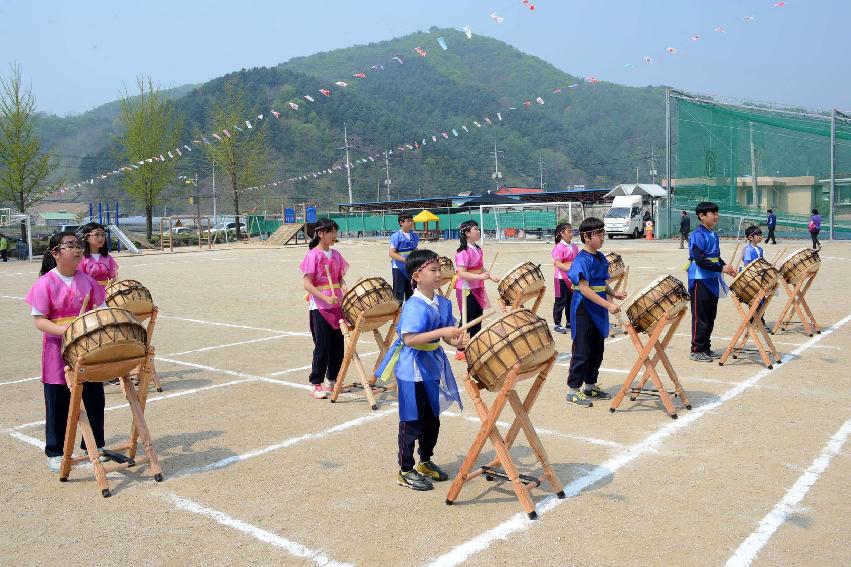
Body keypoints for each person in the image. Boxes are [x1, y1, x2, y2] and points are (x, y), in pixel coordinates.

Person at [375, 249, 466, 491]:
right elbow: (410, 338)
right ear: (416, 276)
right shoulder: (414, 305)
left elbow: (447, 335)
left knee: (431, 419)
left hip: (432, 365)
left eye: (439, 270)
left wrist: (456, 341)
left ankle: (425, 460)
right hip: (412, 368)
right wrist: (442, 333)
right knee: (411, 420)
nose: (438, 275)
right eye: (432, 270)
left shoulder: (442, 302)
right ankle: (405, 469)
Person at [25, 231, 108, 472]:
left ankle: (95, 445)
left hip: (87, 349)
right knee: (58, 401)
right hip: (57, 350)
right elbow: (40, 321)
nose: (77, 249)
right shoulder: (45, 283)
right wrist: (68, 330)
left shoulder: (87, 280)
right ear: (55, 253)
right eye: (69, 245)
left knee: (94, 397)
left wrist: (93, 325)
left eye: (78, 245)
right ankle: (55, 450)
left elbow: (101, 310)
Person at [565, 217, 626, 407]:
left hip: (598, 306)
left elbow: (601, 283)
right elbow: (584, 288)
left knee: (597, 349)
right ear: (586, 236)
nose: (602, 238)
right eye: (599, 234)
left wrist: (614, 293)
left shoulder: (600, 257)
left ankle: (590, 385)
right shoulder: (581, 259)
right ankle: (573, 390)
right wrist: (608, 305)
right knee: (582, 350)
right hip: (584, 307)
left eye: (602, 233)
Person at [300, 219, 348, 399]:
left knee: (338, 346)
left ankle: (332, 381)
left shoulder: (336, 254)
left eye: (335, 232)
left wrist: (343, 286)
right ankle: (316, 383)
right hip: (319, 306)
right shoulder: (313, 255)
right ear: (321, 233)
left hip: (337, 305)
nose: (335, 235)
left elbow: (340, 277)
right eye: (331, 232)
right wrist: (326, 297)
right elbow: (307, 284)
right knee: (322, 346)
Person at [687, 202, 737, 362]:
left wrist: (725, 266)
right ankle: (696, 349)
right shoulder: (697, 235)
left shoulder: (714, 234)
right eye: (713, 213)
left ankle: (705, 347)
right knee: (700, 316)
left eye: (717, 213)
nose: (716, 216)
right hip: (700, 280)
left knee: (710, 316)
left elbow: (716, 257)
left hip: (713, 279)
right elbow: (700, 260)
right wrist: (721, 269)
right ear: (702, 216)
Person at [454, 220, 499, 361]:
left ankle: (473, 345)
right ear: (467, 233)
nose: (478, 231)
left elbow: (481, 267)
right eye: (475, 229)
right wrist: (479, 276)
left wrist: (491, 276)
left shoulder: (478, 249)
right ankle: (460, 349)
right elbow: (461, 273)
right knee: (467, 319)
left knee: (478, 318)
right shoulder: (462, 252)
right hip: (466, 288)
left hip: (478, 287)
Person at [551, 222, 578, 334]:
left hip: (571, 278)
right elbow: (558, 264)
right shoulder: (559, 247)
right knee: (560, 301)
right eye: (569, 231)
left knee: (571, 301)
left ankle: (569, 322)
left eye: (572, 231)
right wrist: (571, 269)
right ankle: (557, 324)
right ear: (562, 233)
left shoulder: (575, 246)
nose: (571, 234)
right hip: (561, 278)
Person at [388, 213, 420, 303]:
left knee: (412, 292)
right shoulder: (396, 236)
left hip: (411, 269)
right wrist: (405, 260)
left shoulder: (414, 236)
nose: (411, 223)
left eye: (411, 221)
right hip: (398, 268)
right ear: (401, 222)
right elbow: (391, 253)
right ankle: (398, 316)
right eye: (408, 221)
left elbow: (415, 250)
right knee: (399, 294)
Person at [78, 222, 119, 286]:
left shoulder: (108, 258)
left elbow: (113, 277)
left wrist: (110, 285)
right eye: (97, 235)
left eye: (103, 235)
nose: (101, 238)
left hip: (106, 292)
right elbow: (79, 280)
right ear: (87, 238)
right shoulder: (81, 258)